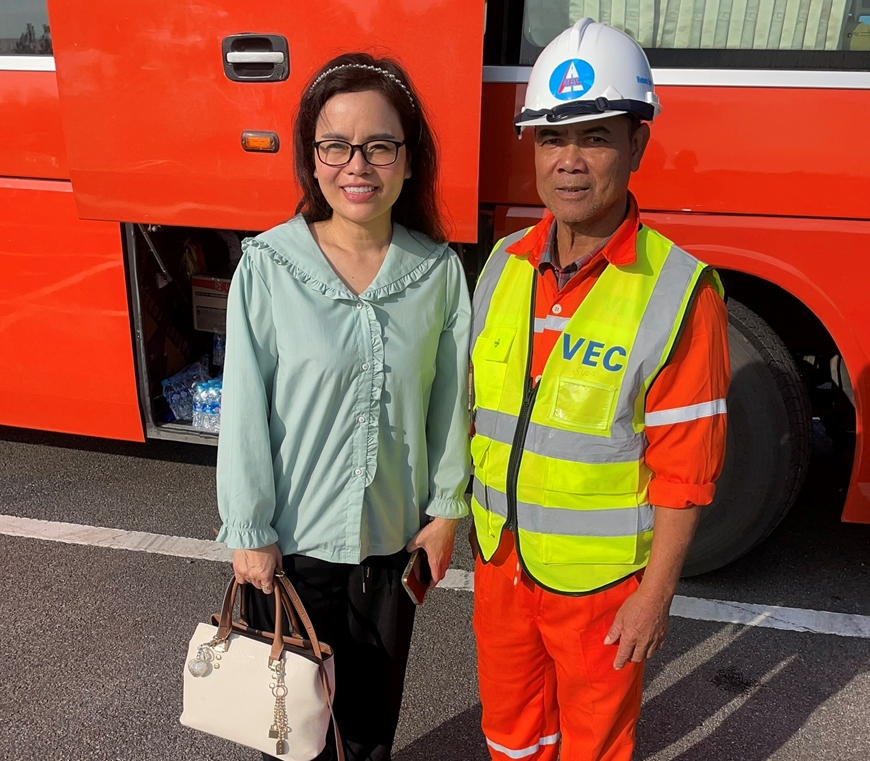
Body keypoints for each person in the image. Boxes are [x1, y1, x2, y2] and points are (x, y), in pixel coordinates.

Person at [469, 19, 730, 761]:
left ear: (638, 144)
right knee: (510, 738)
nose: (570, 162)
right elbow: (472, 415)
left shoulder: (678, 291)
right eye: (552, 139)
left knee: (595, 749)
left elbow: (686, 471)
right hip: (501, 564)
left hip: (601, 588)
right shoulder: (502, 263)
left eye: (595, 137)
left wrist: (656, 595)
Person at [216, 52, 471, 761]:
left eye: (380, 146)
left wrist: (447, 511)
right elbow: (245, 410)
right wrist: (249, 529)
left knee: (369, 728)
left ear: (409, 160)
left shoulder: (437, 272)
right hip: (291, 550)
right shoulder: (270, 266)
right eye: (336, 145)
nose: (357, 166)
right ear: (312, 157)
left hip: (392, 548)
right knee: (291, 731)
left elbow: (450, 402)